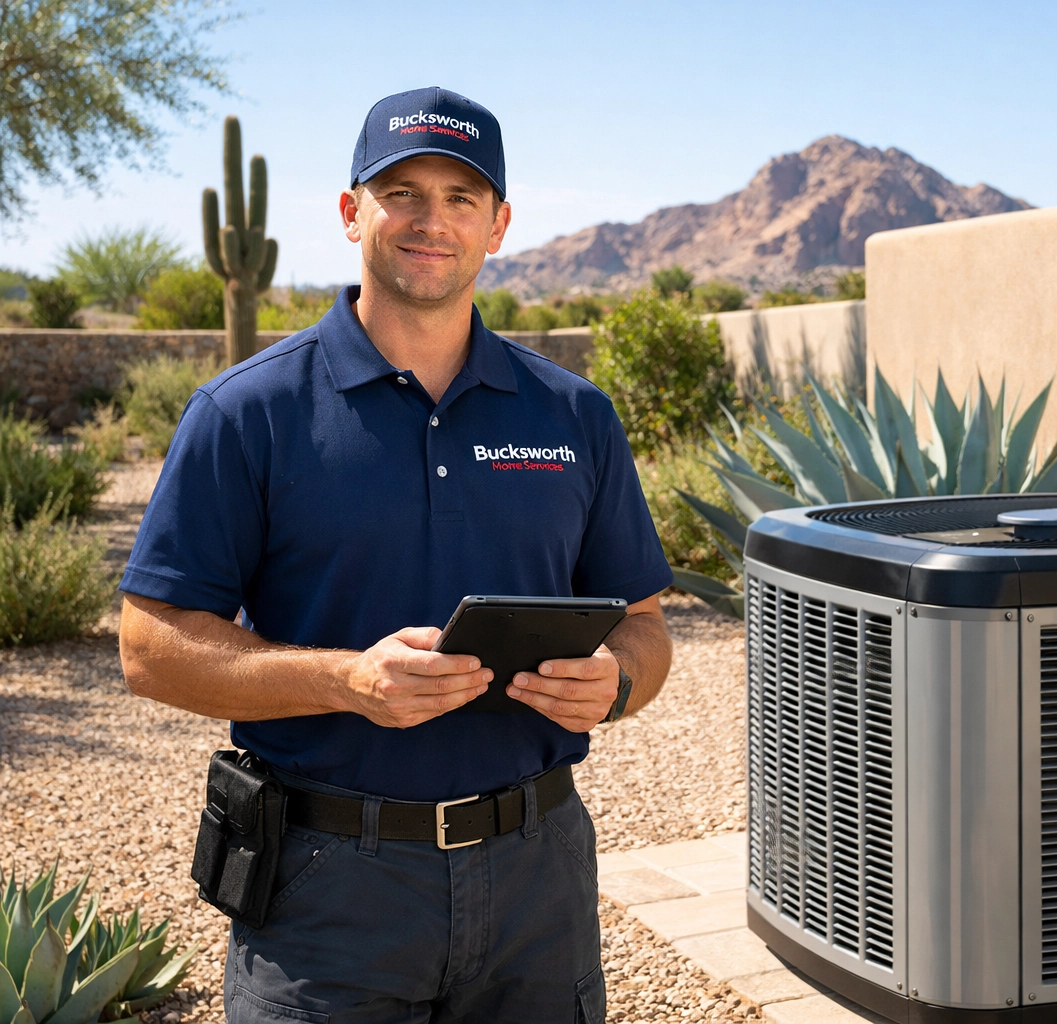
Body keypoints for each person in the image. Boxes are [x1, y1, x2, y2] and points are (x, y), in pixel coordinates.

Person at [118, 86, 674, 1023]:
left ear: (498, 226)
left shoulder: (574, 415)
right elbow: (150, 646)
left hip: (541, 879)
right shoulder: (246, 413)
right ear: (350, 213)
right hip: (328, 891)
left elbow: (646, 628)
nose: (432, 221)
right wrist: (348, 680)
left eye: (462, 198)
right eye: (402, 192)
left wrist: (616, 680)